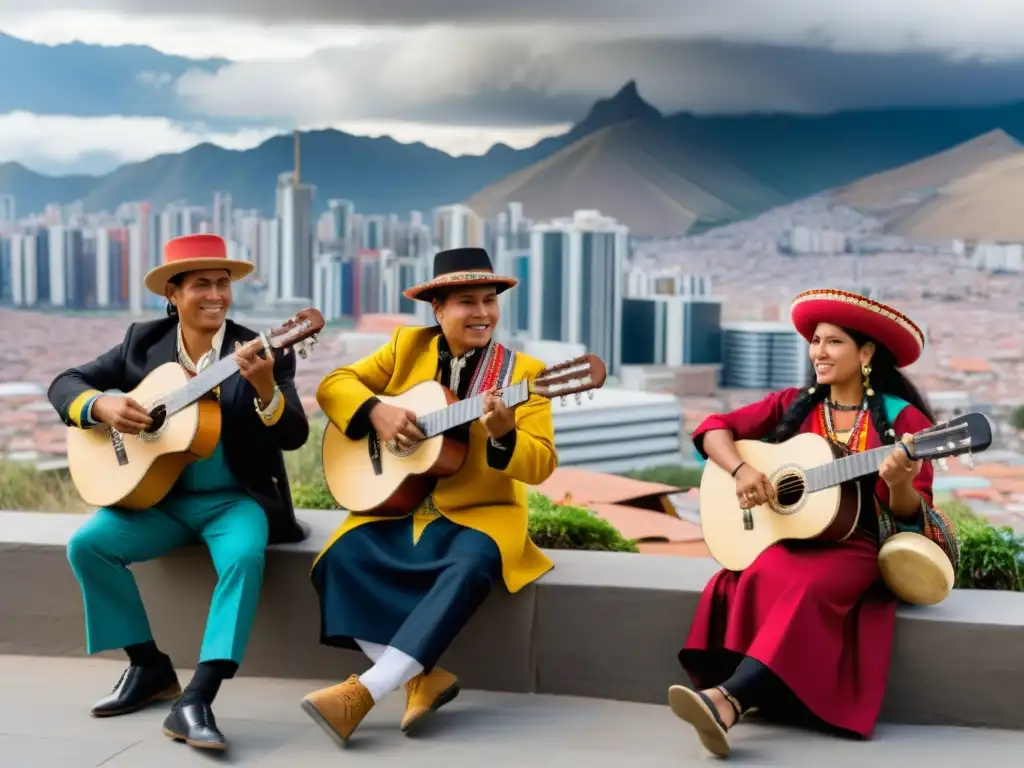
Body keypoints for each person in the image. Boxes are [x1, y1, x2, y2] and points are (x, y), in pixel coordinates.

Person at [669, 288, 959, 758]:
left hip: (859, 546)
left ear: (866, 353)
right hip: (797, 537)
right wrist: (742, 471)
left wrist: (900, 480)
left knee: (806, 588)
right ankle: (760, 694)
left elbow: (910, 515)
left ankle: (728, 701)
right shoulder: (795, 403)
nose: (818, 352)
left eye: (833, 342)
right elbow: (711, 428)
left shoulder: (901, 420)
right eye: (815, 340)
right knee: (761, 572)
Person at [48, 233, 309, 751]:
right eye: (201, 285)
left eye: (223, 284)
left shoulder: (259, 349)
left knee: (242, 558)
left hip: (235, 500)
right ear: (172, 293)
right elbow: (66, 383)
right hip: (158, 500)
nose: (215, 295)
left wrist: (264, 392)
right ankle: (147, 666)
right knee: (89, 546)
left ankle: (197, 698)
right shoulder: (141, 342)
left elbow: (295, 433)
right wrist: (101, 407)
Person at [302, 246, 557, 746]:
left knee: (471, 566)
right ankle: (420, 677)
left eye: (490, 300)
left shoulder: (525, 372)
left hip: (480, 515)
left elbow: (542, 463)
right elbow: (335, 384)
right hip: (397, 503)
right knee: (339, 559)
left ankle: (365, 692)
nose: (482, 312)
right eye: (467, 301)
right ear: (438, 310)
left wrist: (504, 434)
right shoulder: (404, 347)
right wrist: (376, 411)